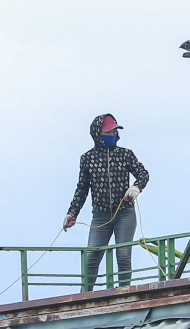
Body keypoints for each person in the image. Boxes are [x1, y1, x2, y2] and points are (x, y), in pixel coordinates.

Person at [64, 113, 149, 290]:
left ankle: (124, 292)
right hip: (100, 215)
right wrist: (72, 213)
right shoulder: (87, 159)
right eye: (109, 132)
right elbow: (82, 189)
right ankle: (85, 295)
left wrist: (136, 187)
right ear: (97, 134)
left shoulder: (125, 154)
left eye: (115, 132)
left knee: (123, 255)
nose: (113, 136)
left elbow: (143, 173)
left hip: (124, 213)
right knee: (92, 257)